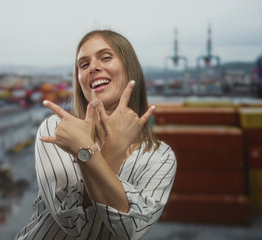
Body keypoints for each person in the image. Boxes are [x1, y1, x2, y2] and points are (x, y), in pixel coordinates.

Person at [15, 30, 176, 240]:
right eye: (83, 64)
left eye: (106, 57)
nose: (93, 67)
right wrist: (114, 147)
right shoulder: (57, 130)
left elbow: (130, 229)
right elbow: (73, 224)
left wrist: (88, 152)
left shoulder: (161, 157)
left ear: (130, 68)